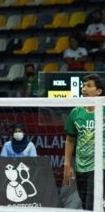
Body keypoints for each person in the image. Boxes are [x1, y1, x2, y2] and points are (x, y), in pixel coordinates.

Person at [63, 74, 105, 210]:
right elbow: (70, 140)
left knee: (92, 204)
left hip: (100, 165)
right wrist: (67, 164)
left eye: (89, 86)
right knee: (86, 205)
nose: (84, 88)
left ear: (99, 92)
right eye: (83, 85)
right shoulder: (76, 112)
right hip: (81, 167)